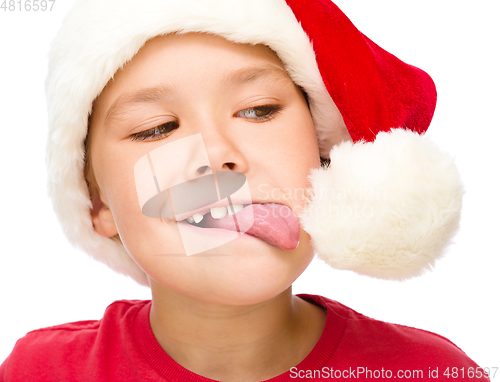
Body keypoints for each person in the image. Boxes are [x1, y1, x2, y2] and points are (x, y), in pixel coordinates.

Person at [0, 0, 491, 381]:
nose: (217, 154)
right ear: (99, 204)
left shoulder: (428, 371)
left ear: (326, 160)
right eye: (156, 128)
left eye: (258, 110)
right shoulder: (38, 372)